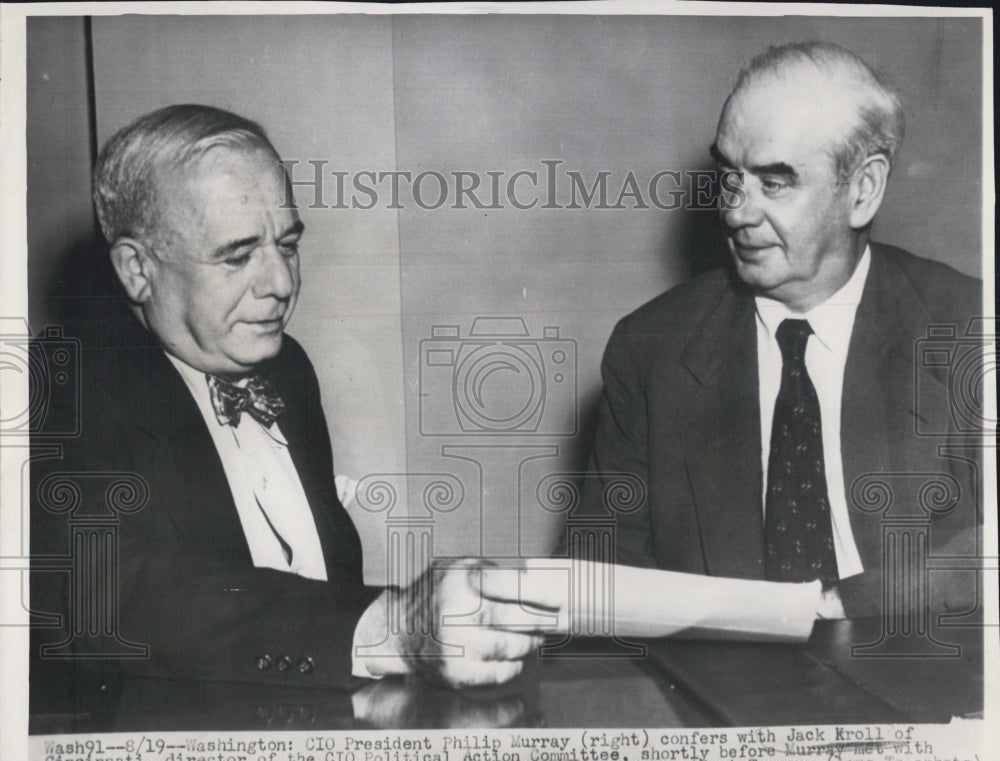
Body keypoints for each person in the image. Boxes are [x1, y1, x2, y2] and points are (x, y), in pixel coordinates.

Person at [30, 104, 553, 696]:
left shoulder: (289, 370)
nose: (281, 283)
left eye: (288, 244)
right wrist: (394, 625)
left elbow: (316, 587)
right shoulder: (56, 385)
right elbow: (106, 597)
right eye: (238, 255)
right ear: (137, 270)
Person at [581, 42, 982, 618]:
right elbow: (602, 578)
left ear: (863, 190)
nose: (736, 211)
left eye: (775, 183)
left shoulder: (968, 329)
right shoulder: (649, 351)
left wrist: (839, 605)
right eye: (729, 177)